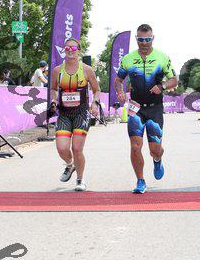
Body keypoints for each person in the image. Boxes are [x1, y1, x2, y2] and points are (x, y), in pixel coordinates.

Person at [114, 24, 177, 194]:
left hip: (155, 108)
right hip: (135, 108)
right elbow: (118, 80)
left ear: (152, 38)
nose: (144, 43)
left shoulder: (162, 57)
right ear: (136, 39)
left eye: (147, 39)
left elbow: (174, 80)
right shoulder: (128, 59)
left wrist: (162, 86)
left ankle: (157, 159)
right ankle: (140, 180)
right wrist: (120, 92)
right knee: (135, 146)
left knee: (155, 149)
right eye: (140, 40)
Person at [50, 38, 101, 191]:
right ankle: (70, 165)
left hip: (81, 114)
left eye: (73, 48)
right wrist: (54, 100)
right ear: (64, 50)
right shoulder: (57, 70)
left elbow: (96, 90)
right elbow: (53, 88)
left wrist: (94, 103)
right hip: (64, 114)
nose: (70, 51)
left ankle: (80, 179)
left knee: (77, 148)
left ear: (79, 51)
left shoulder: (86, 70)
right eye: (67, 48)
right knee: (62, 148)